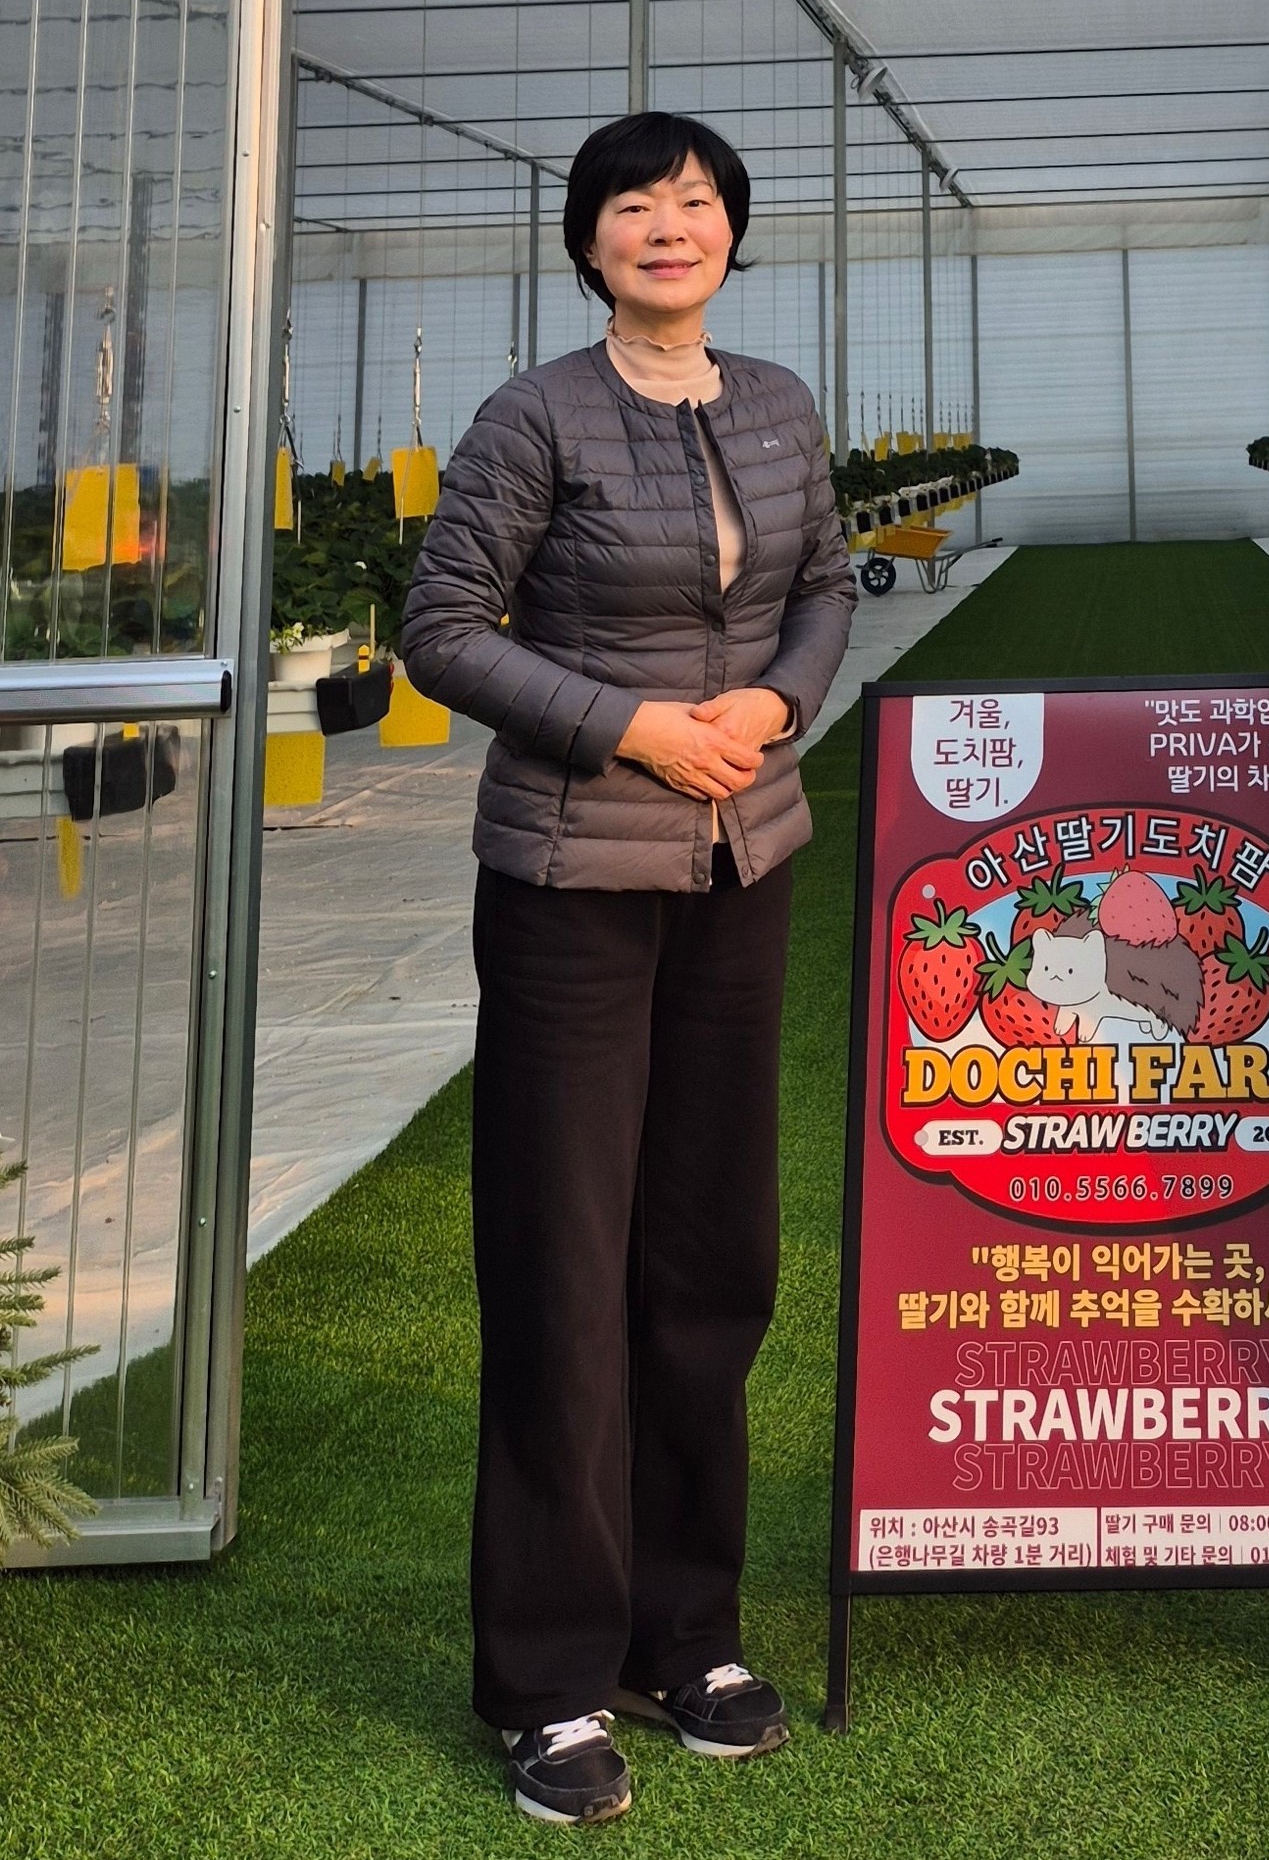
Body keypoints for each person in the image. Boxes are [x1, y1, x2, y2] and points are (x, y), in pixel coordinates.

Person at [402, 111, 855, 1826]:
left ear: (734, 231)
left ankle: (688, 1632)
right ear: (588, 241)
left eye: (697, 203)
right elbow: (442, 632)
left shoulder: (780, 403)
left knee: (708, 1256)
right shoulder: (534, 414)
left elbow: (822, 582)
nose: (670, 227)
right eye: (633, 207)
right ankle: (544, 1671)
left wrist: (767, 708)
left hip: (744, 865)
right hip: (570, 881)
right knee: (563, 1267)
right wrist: (635, 727)